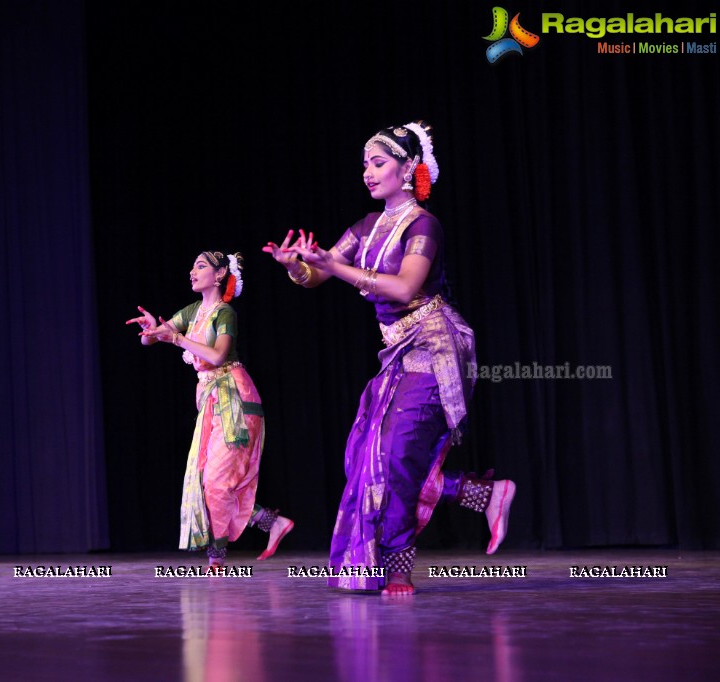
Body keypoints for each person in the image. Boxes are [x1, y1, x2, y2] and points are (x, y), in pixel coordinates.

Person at [264, 121, 515, 596]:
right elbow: (319, 273)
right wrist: (297, 265)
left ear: (408, 169)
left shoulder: (424, 225)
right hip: (397, 348)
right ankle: (482, 496)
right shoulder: (366, 227)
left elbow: (403, 287)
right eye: (365, 164)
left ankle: (398, 566)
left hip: (436, 346)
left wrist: (334, 267)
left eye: (378, 163)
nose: (367, 172)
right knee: (369, 455)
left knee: (397, 454)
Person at [127, 251, 293, 568]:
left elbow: (217, 357)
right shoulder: (193, 311)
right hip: (211, 401)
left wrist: (176, 339)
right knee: (214, 482)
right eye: (192, 265)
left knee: (217, 482)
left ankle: (216, 559)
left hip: (235, 400)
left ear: (219, 275)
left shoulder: (224, 312)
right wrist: (153, 330)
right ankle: (271, 523)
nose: (192, 270)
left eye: (200, 266)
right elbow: (152, 340)